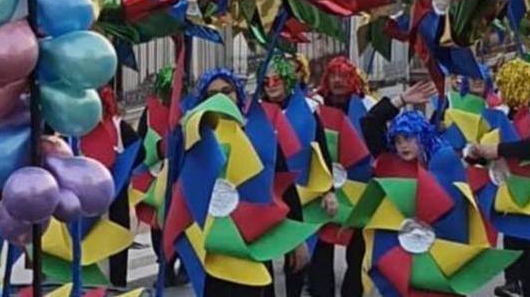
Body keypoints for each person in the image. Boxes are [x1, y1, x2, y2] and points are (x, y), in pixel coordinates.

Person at [177, 68, 312, 297]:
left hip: (254, 237)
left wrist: (297, 241)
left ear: (238, 95)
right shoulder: (198, 139)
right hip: (214, 242)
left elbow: (283, 185)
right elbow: (183, 191)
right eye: (212, 94)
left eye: (226, 91)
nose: (220, 97)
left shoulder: (259, 133)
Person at [309, 56, 436, 297]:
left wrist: (400, 100)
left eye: (344, 76)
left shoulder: (366, 105)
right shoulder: (314, 107)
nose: (337, 81)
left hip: (362, 191)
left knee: (358, 254)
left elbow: (371, 124)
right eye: (333, 75)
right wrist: (324, 187)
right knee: (322, 251)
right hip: (324, 189)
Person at [468, 59, 530, 297]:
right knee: (519, 274)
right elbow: (486, 148)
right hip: (512, 201)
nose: (501, 91)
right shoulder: (500, 113)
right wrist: (476, 153)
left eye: (505, 86)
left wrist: (499, 149)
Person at [260, 54, 337, 297]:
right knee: (263, 255)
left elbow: (321, 152)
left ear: (288, 80)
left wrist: (329, 190)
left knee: (297, 256)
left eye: (277, 79)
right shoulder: (254, 113)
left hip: (300, 193)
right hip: (265, 194)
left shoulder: (309, 109)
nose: (271, 85)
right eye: (266, 81)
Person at [80, 86, 139, 288]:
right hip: (88, 205)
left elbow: (138, 152)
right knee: (93, 257)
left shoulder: (118, 126)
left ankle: (115, 288)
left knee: (115, 255)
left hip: (116, 203)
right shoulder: (73, 130)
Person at [133, 66, 186, 286]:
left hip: (183, 174)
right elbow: (141, 141)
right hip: (157, 175)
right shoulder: (150, 110)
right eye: (167, 90)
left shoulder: (189, 109)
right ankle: (164, 265)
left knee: (183, 221)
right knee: (158, 222)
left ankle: (183, 264)